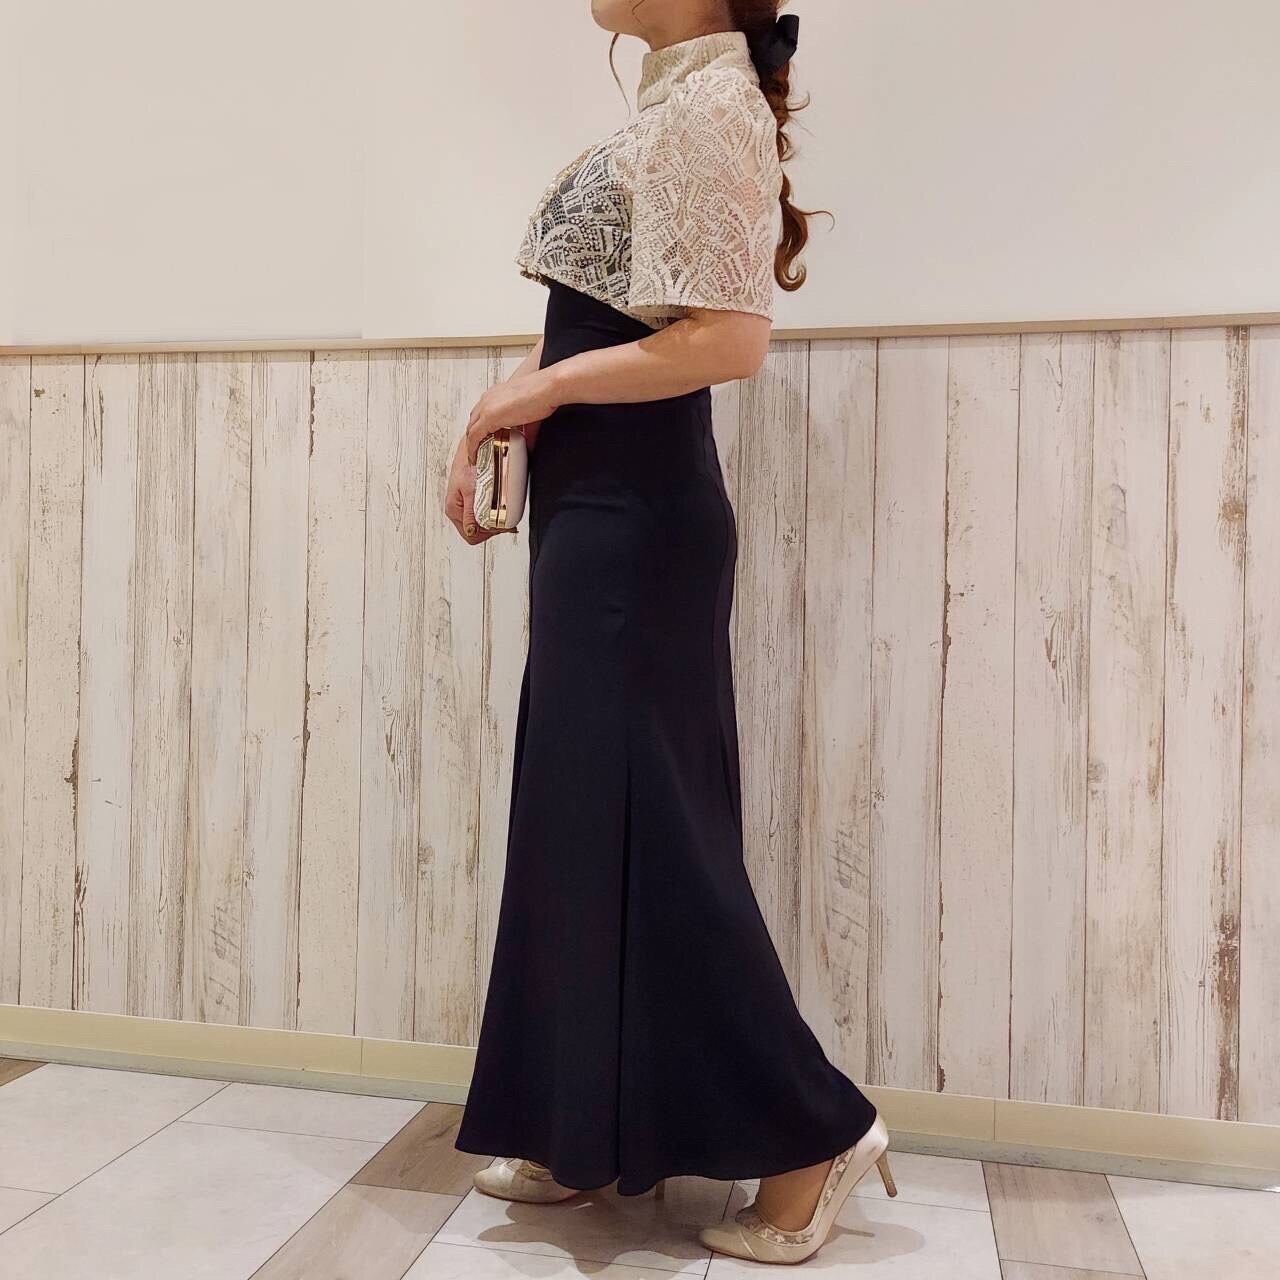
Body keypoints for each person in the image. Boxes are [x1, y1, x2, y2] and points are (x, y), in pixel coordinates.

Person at [443, 1, 895, 1265]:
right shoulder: (678, 103)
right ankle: (578, 1126)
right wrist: (523, 422)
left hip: (638, 528)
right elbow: (620, 326)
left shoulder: (707, 107)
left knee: (660, 834)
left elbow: (726, 343)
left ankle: (812, 1134)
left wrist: (524, 391)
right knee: (580, 821)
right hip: (600, 515)